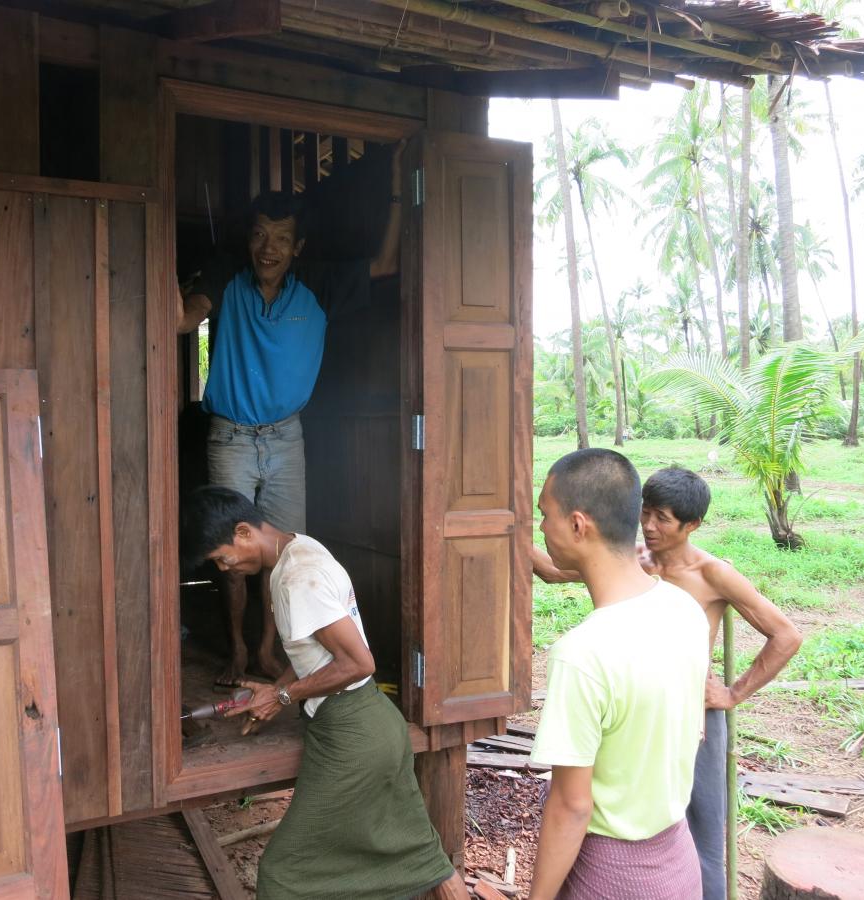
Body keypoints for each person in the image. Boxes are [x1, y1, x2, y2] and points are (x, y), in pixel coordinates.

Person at [177, 150, 404, 686]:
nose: (268, 248)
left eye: (281, 238)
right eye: (259, 235)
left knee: (284, 552)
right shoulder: (227, 275)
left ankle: (267, 649)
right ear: (247, 239)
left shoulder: (318, 285)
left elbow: (386, 263)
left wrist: (397, 187)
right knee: (231, 555)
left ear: (297, 247)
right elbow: (184, 317)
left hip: (286, 438)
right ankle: (235, 648)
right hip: (230, 436)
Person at [181, 486, 468, 900]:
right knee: (422, 857)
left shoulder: (299, 579)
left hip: (352, 736)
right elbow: (314, 658)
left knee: (284, 875)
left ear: (243, 532)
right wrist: (275, 691)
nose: (226, 568)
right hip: (367, 724)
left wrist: (283, 697)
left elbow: (358, 663)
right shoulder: (299, 549)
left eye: (221, 557)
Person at [528, 449, 709, 900]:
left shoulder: (582, 655)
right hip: (678, 863)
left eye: (544, 515)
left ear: (577, 525)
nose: (541, 528)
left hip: (612, 876)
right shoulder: (683, 609)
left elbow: (571, 807)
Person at [639, 466, 803, 900]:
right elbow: (559, 569)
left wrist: (733, 694)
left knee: (703, 837)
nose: (650, 526)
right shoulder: (635, 561)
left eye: (663, 518)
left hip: (696, 723)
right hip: (638, 715)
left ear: (692, 525)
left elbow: (786, 635)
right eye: (646, 512)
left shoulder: (713, 574)